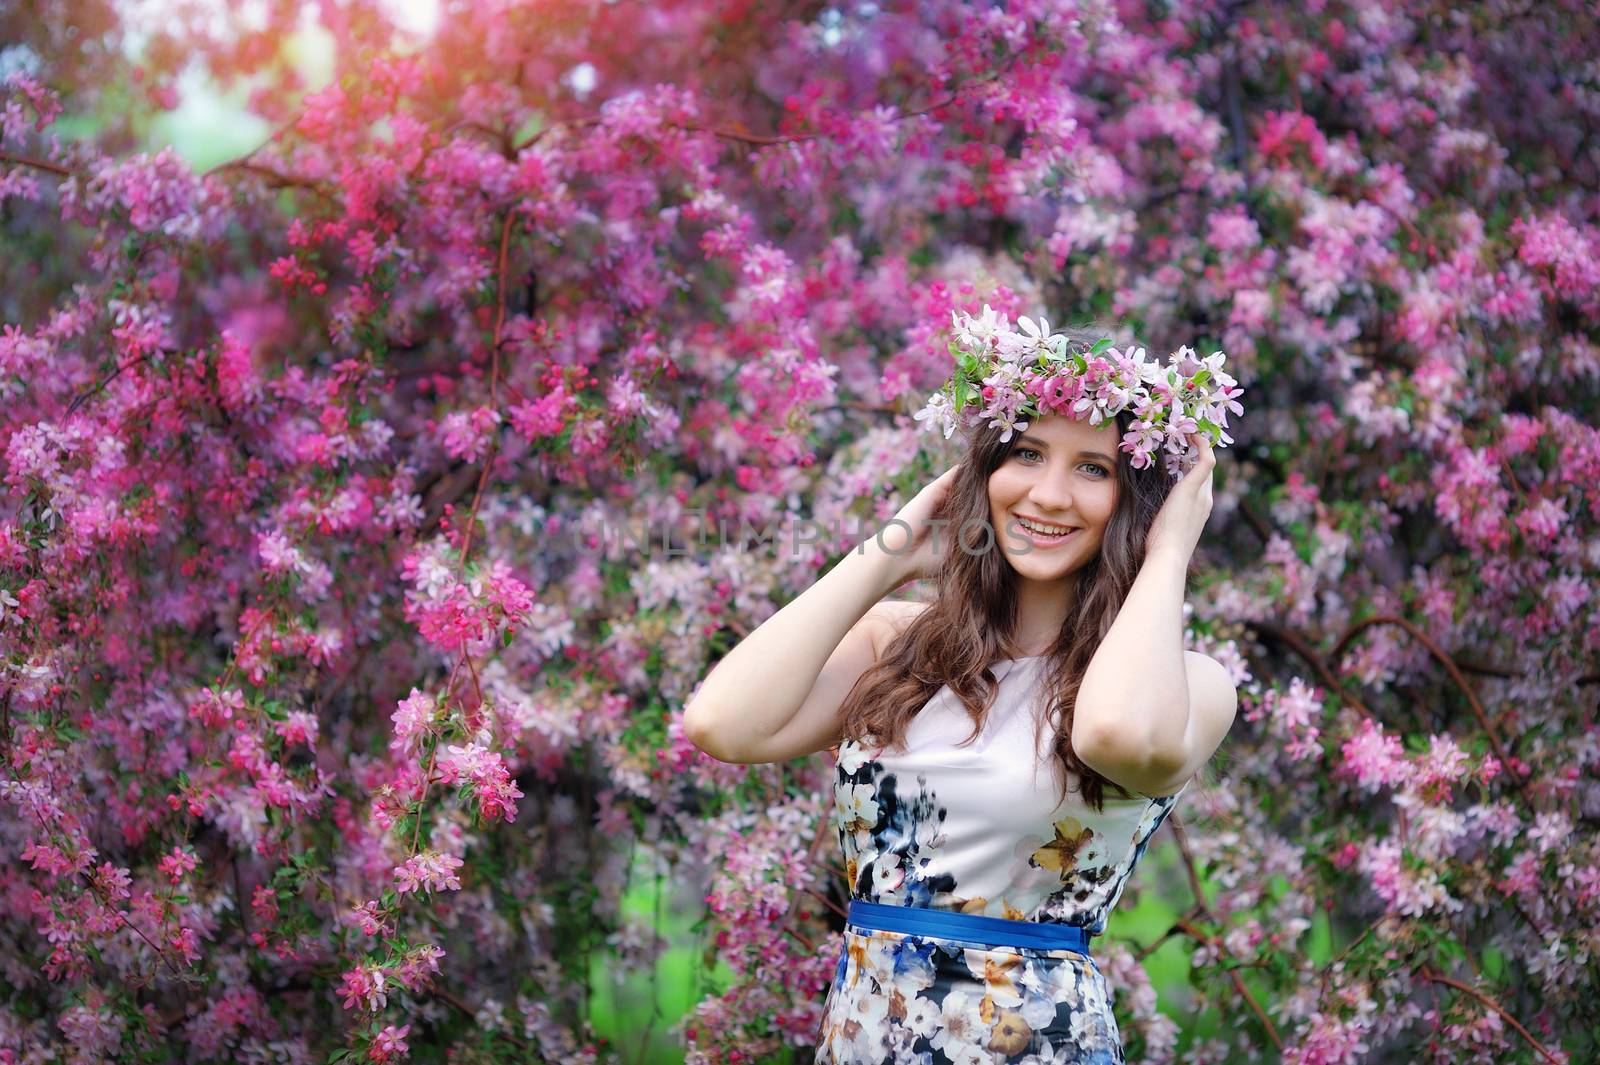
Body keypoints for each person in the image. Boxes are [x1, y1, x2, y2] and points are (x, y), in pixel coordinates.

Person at [684, 317, 1241, 1064]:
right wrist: (887, 556)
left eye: (1093, 468)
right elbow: (723, 723)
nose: (1048, 494)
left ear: (1138, 498)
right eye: (1027, 453)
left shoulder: (1188, 685)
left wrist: (1169, 547)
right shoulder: (899, 644)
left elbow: (1113, 736)